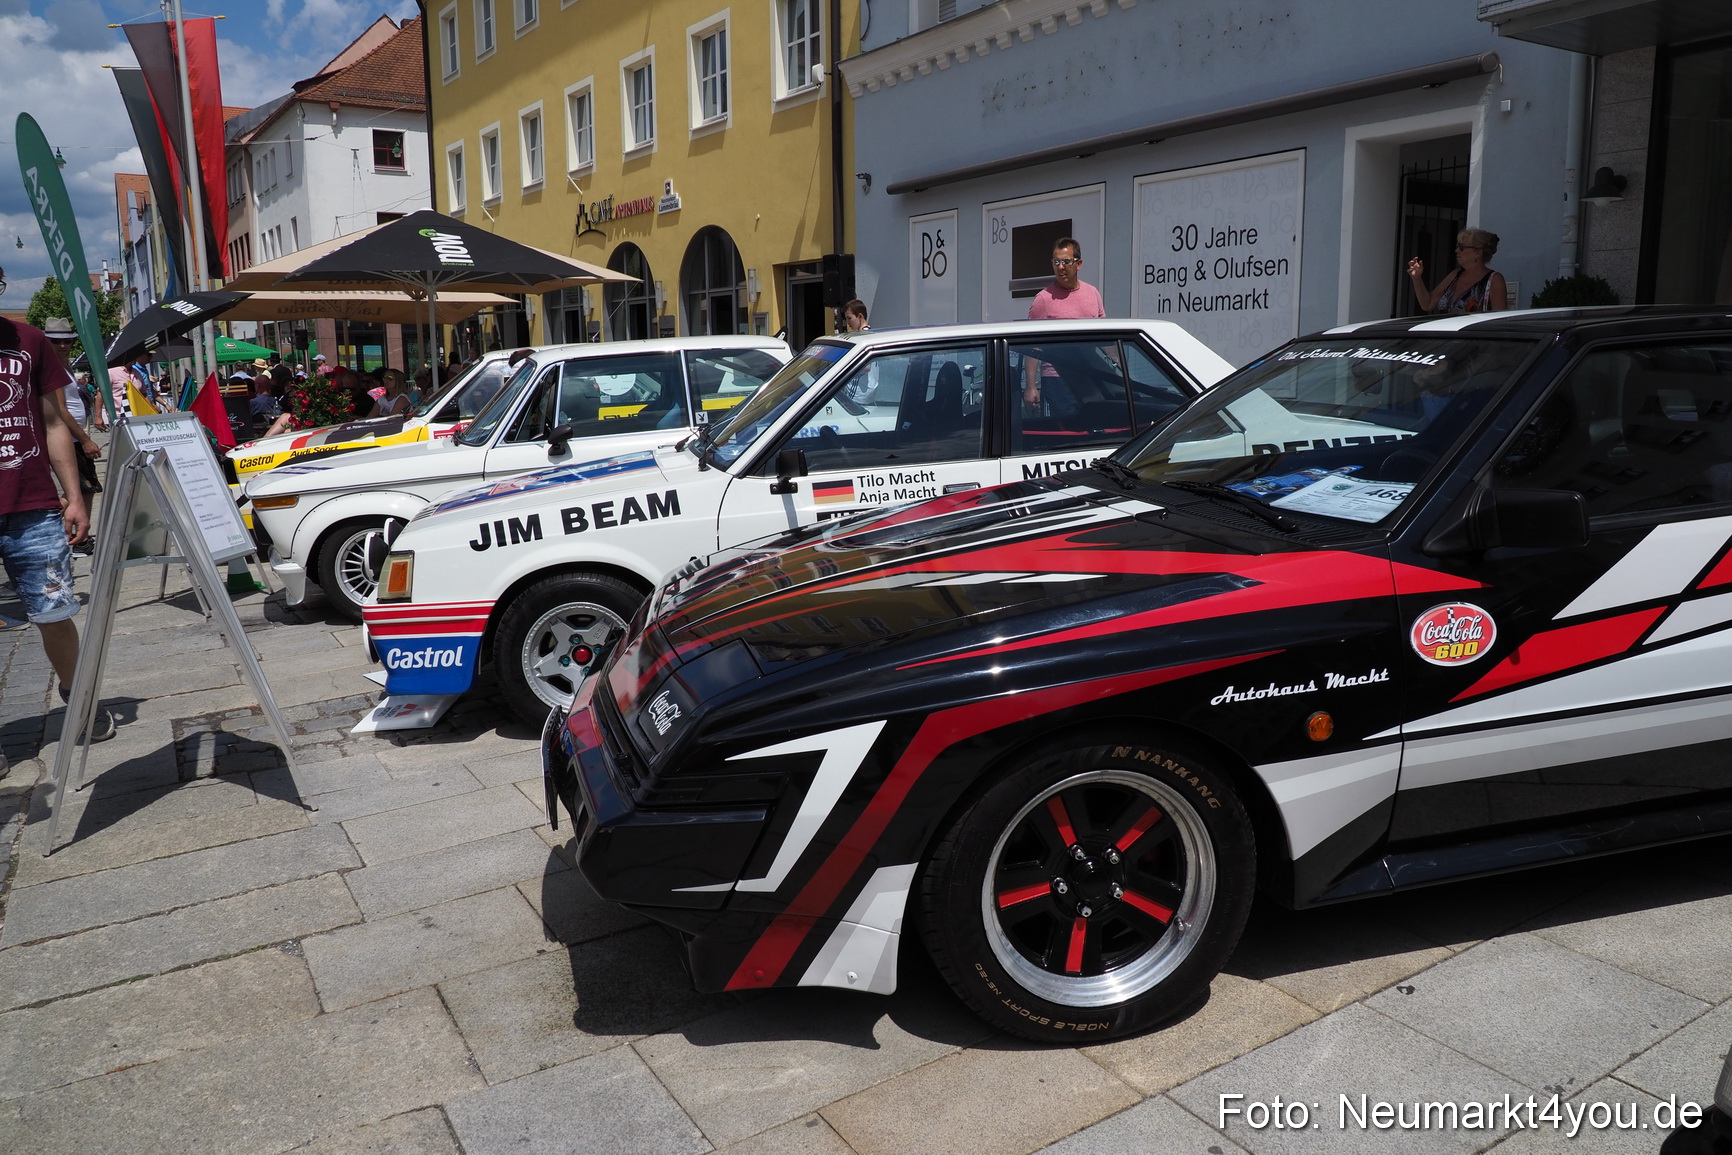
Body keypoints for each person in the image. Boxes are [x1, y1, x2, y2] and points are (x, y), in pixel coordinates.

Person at [0, 316, 116, 769]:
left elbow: (51, 421)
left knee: (55, 611)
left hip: (32, 506)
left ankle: (78, 693)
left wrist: (74, 496)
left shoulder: (28, 341)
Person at [1024, 237, 1103, 414]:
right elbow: (1032, 345)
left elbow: (1107, 342)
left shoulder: (1093, 294)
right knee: (1069, 436)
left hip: (1090, 377)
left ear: (1078, 263)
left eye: (1066, 261)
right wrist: (1030, 387)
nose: (1060, 267)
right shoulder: (1043, 300)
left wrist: (1116, 373)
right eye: (1056, 262)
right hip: (1057, 379)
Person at [40, 320, 103, 509]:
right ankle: (53, 528)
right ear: (46, 341)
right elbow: (60, 410)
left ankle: (77, 535)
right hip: (68, 438)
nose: (62, 345)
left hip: (74, 436)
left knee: (86, 489)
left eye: (67, 341)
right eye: (55, 341)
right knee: (78, 491)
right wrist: (85, 440)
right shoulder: (51, 367)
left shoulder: (65, 365)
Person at [1408, 227, 1508, 315]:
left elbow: (1498, 320)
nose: (1457, 251)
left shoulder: (1494, 280)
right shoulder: (1455, 275)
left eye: (1462, 248)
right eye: (1457, 246)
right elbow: (1427, 304)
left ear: (1478, 253)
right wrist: (1417, 278)